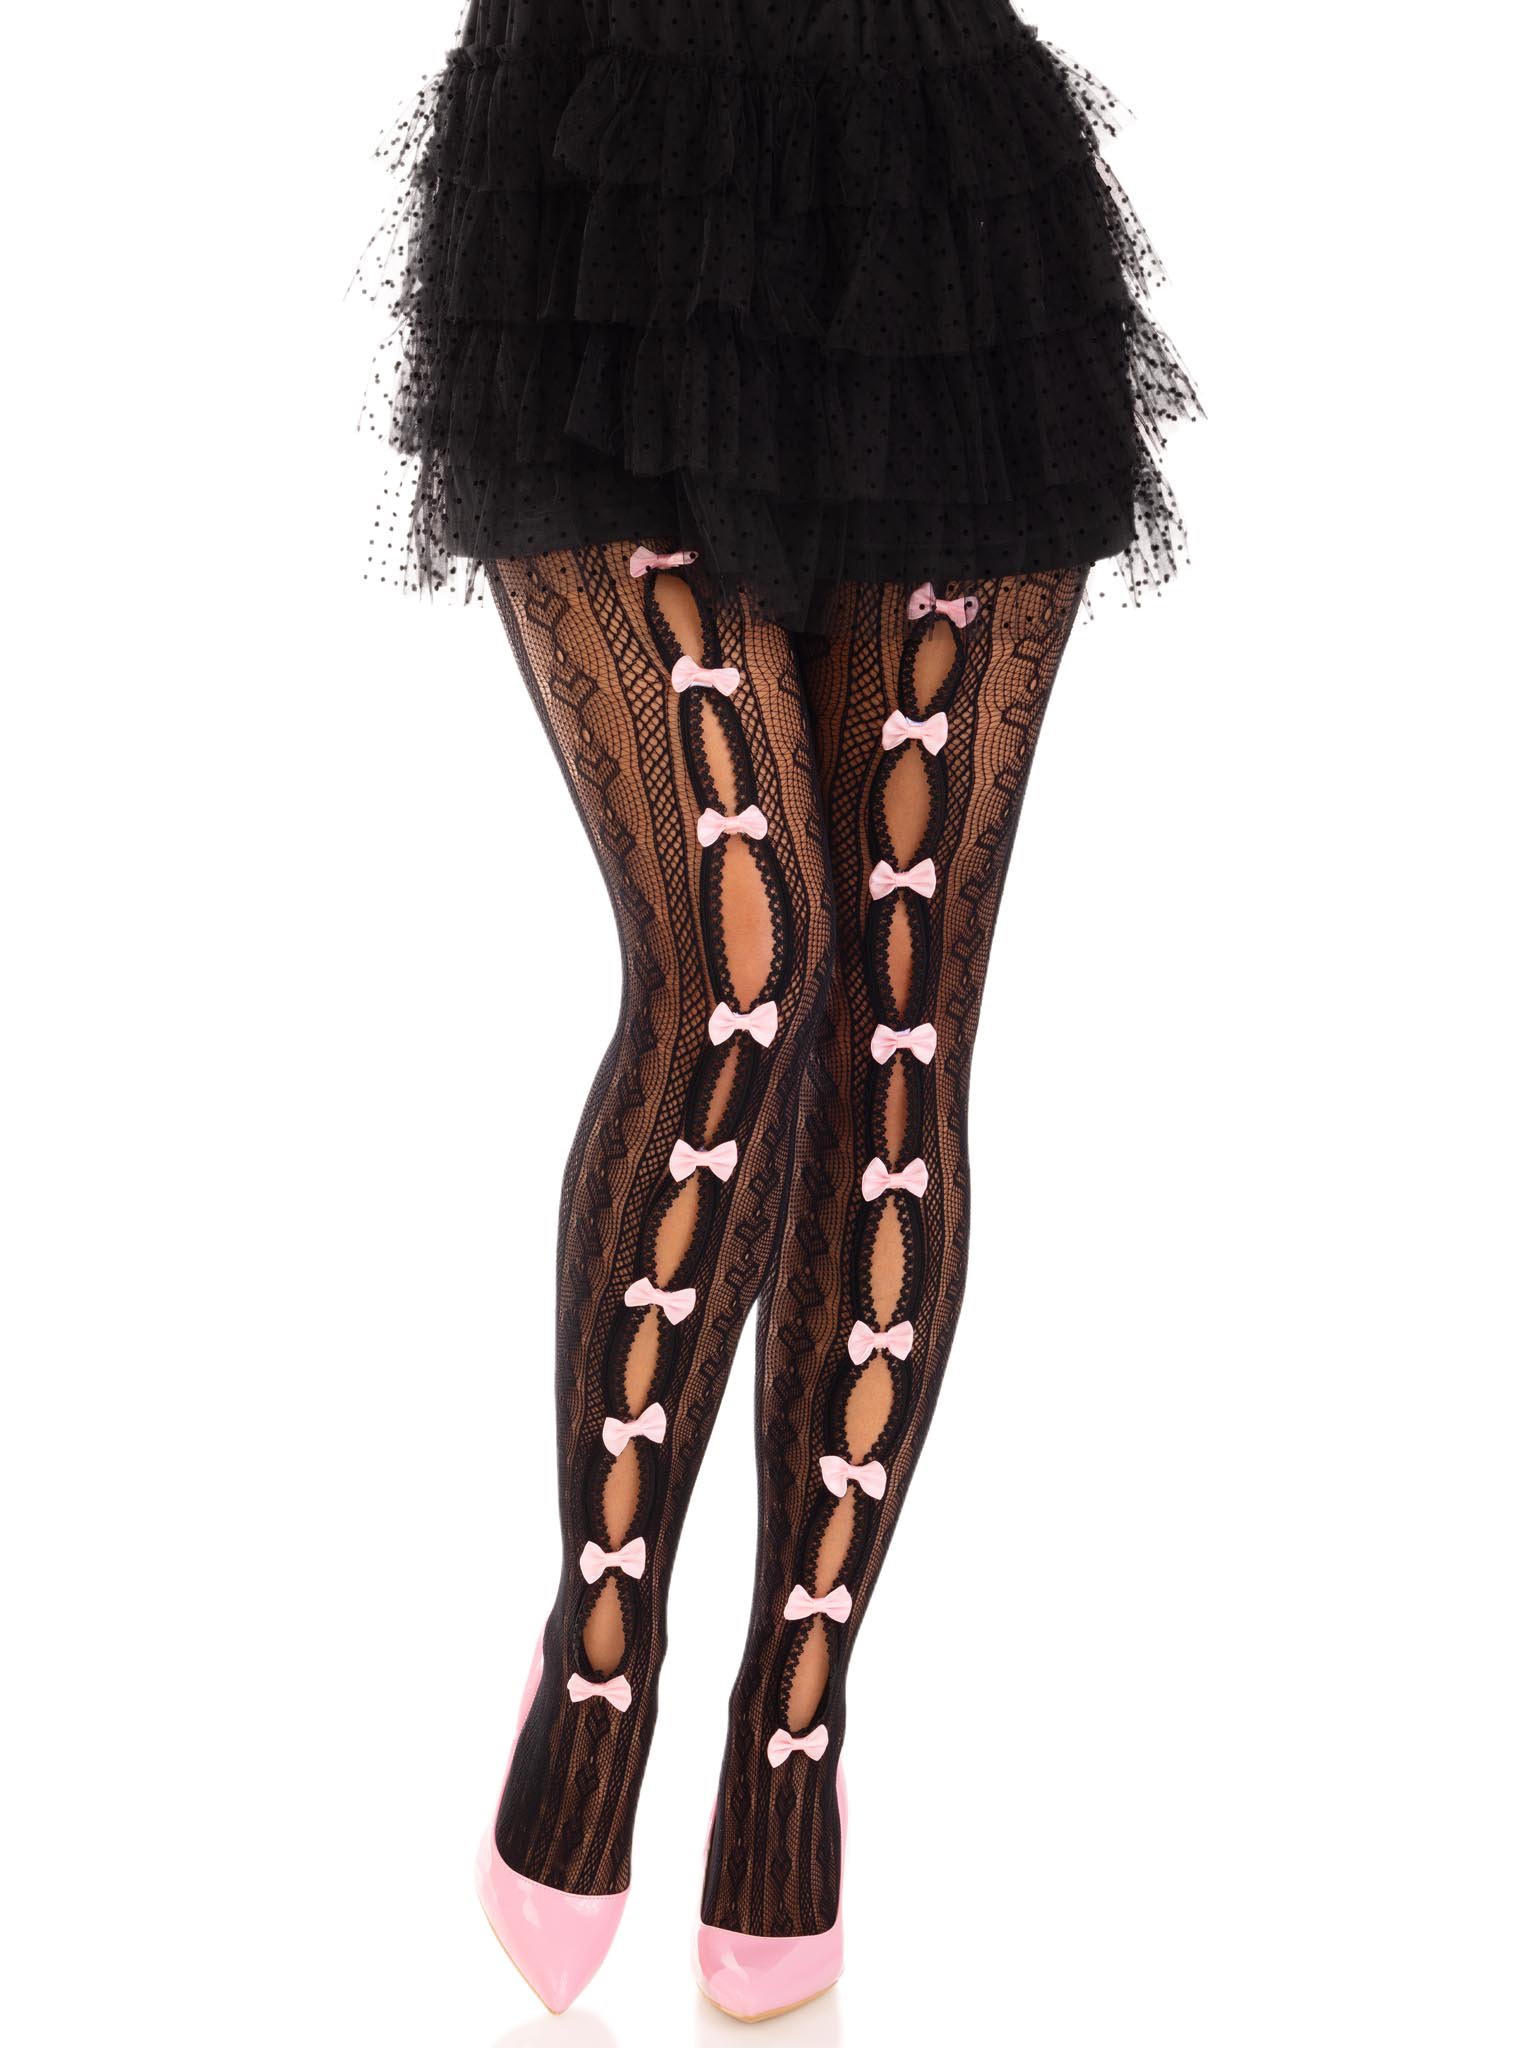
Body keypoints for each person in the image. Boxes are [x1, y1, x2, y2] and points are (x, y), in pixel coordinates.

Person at [368, 0, 1197, 2018]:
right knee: (750, 968)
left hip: (938, 190)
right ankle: (603, 1654)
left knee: (900, 1029)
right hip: (609, 163)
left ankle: (793, 1728)